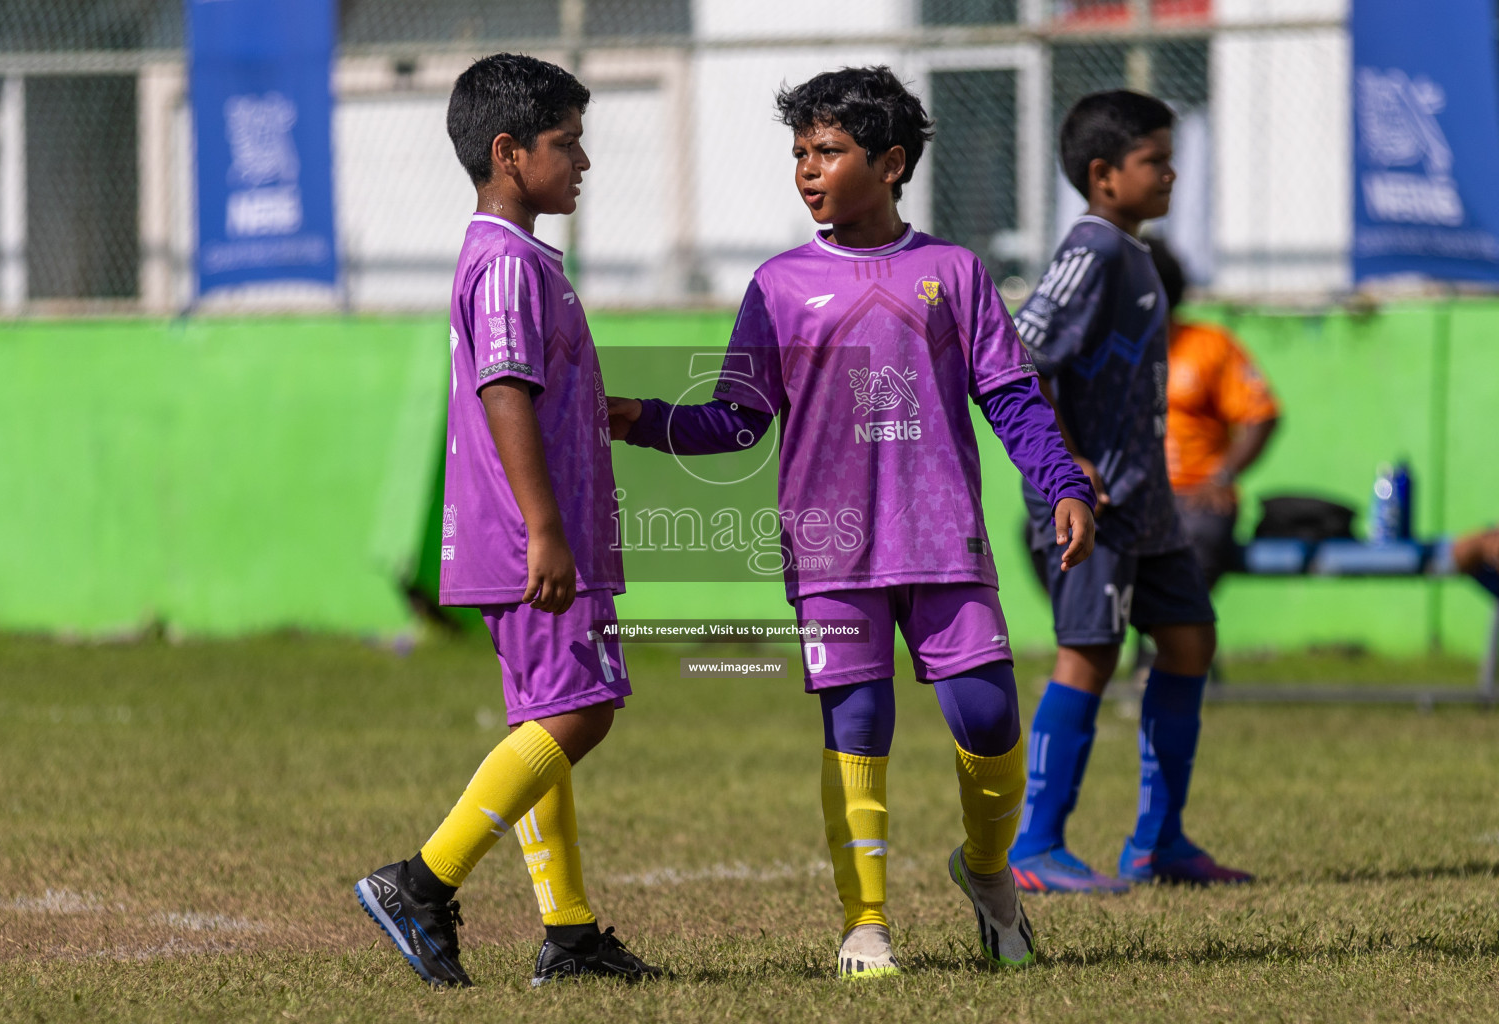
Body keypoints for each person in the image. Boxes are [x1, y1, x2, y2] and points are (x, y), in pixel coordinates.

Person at [608, 67, 1097, 978]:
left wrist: (1062, 483)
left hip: (942, 536)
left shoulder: (955, 274)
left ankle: (988, 877)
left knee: (987, 716)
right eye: (799, 152)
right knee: (856, 723)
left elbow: (1011, 397)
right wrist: (640, 419)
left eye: (828, 150)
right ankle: (865, 923)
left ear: (892, 162)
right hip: (830, 552)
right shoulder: (779, 287)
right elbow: (736, 418)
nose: (807, 169)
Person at [354, 53, 660, 989]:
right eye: (566, 144)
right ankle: (422, 879)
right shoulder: (503, 264)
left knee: (548, 712)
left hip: (535, 534)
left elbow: (535, 390)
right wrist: (546, 529)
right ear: (508, 152)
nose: (583, 162)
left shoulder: (520, 260)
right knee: (582, 710)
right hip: (533, 540)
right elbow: (504, 391)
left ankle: (568, 937)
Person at [1006, 91, 1251, 893]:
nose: (1172, 171)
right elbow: (1021, 358)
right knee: (1089, 655)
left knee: (1189, 641)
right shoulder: (1093, 250)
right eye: (1155, 159)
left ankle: (1159, 844)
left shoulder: (1139, 254)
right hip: (1093, 508)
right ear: (1104, 175)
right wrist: (1068, 466)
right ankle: (1035, 848)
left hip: (1150, 505)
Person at [1149, 238, 1279, 590]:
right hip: (1133, 494)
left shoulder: (1209, 345)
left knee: (1192, 548)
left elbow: (1262, 415)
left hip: (1196, 497)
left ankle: (1167, 643)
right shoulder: (1108, 354)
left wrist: (1221, 477)